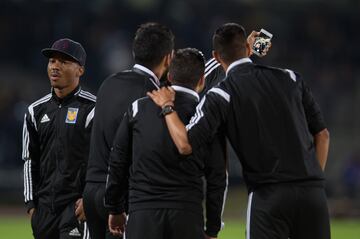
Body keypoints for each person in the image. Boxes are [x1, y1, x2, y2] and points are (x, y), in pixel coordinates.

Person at [148, 23, 331, 239]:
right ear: (247, 47)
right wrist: (313, 182)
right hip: (313, 193)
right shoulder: (291, 77)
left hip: (268, 195)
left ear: (216, 56)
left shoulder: (221, 94)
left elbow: (186, 143)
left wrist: (168, 107)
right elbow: (323, 135)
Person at [105, 48, 227, 239]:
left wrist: (115, 207)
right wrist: (212, 228)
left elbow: (118, 160)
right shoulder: (206, 117)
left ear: (169, 76)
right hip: (187, 217)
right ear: (202, 80)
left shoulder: (138, 108)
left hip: (142, 215)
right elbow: (217, 177)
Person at [82, 22, 174, 239]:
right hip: (120, 196)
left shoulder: (108, 84)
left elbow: (89, 133)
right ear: (168, 58)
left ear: (135, 51)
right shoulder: (153, 95)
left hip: (91, 191)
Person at [22, 38, 95, 239]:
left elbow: (101, 161)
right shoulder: (35, 111)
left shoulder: (92, 109)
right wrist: (31, 206)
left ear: (80, 70)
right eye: (52, 61)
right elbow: (30, 160)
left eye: (63, 62)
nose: (55, 66)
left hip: (75, 206)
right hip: (44, 209)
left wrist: (90, 198)